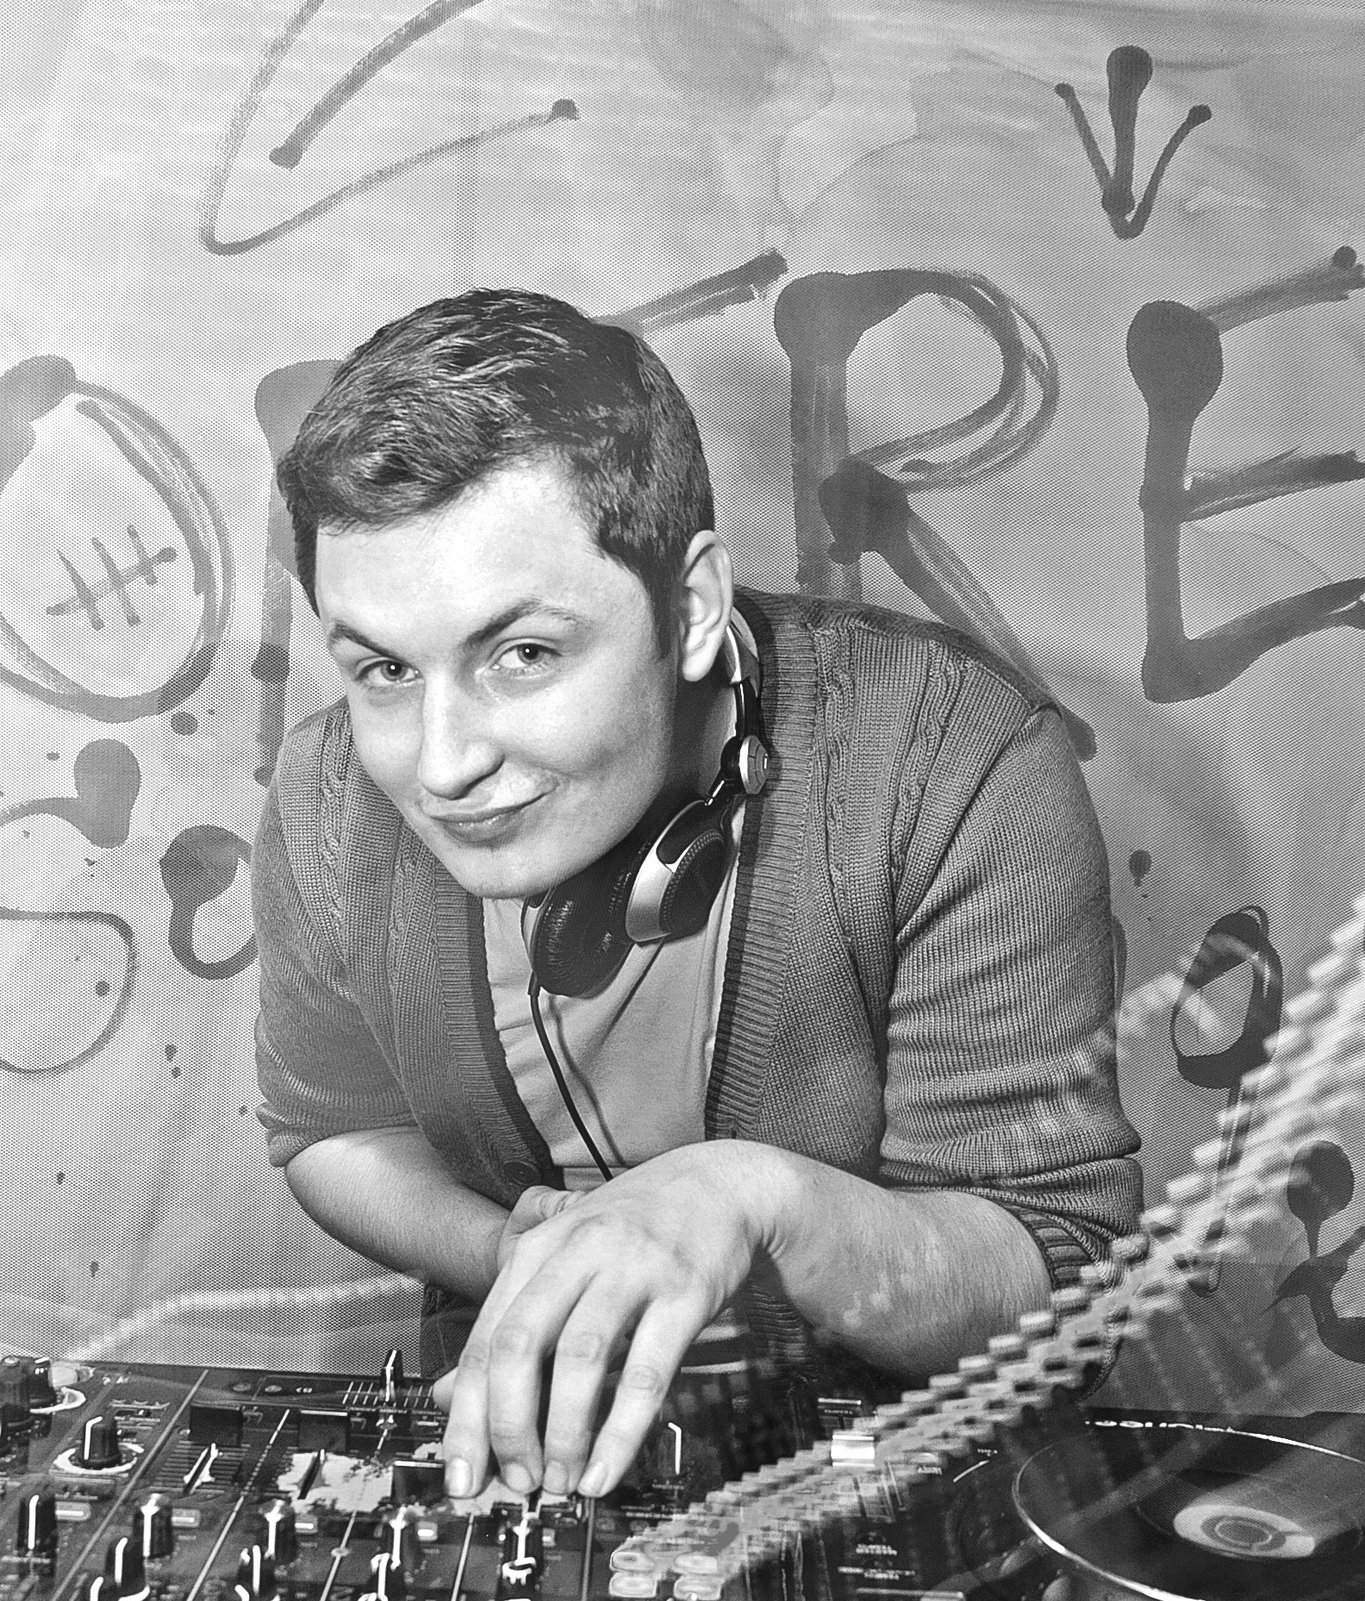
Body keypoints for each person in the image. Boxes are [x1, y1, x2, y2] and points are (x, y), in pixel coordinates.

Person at [253, 289, 1142, 1504]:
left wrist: (751, 1202)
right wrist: (526, 1250)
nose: (442, 762)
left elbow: (1062, 1281)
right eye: (385, 669)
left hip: (880, 1483)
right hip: (519, 1472)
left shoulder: (954, 758)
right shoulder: (327, 795)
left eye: (524, 653)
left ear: (694, 607)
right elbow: (332, 1126)